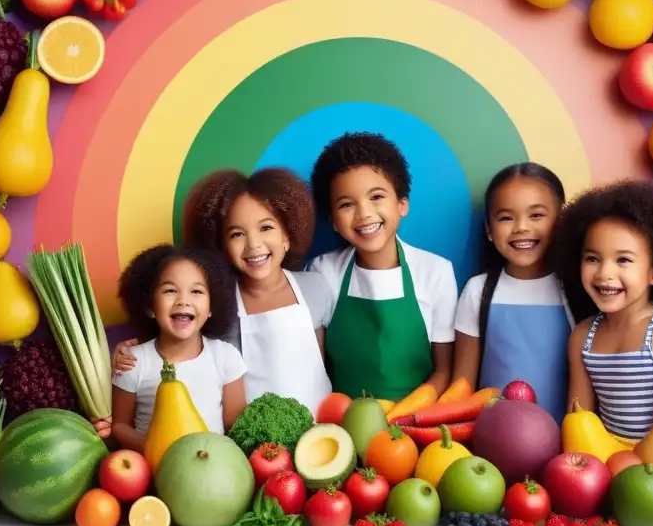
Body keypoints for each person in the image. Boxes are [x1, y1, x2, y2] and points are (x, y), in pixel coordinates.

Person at [112, 169, 333, 416]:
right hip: (252, 443)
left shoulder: (316, 287)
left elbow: (322, 364)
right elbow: (177, 342)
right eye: (237, 234)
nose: (253, 244)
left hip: (324, 431)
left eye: (266, 227)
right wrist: (130, 352)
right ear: (221, 247)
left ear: (287, 235)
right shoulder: (216, 304)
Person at [550, 180, 653, 442]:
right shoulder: (582, 336)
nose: (604, 274)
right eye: (593, 259)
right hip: (604, 460)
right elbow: (579, 425)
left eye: (623, 260)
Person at [308, 131, 458, 402]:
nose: (364, 213)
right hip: (343, 423)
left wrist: (404, 415)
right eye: (346, 204)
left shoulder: (436, 272)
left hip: (416, 424)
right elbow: (315, 368)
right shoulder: (323, 272)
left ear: (402, 204)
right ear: (333, 221)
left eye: (376, 197)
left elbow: (444, 372)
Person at [453, 163, 573, 425]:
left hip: (565, 448)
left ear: (560, 221)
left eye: (536, 215)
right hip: (491, 445)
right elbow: (461, 386)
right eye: (506, 217)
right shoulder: (478, 291)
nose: (521, 227)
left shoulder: (576, 291)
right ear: (488, 229)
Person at [106, 244, 247, 452]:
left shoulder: (225, 357)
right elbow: (119, 426)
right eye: (170, 290)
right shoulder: (132, 361)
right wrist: (151, 447)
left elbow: (235, 427)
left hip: (211, 469)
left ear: (211, 308)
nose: (183, 301)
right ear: (149, 305)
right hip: (153, 472)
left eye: (196, 291)